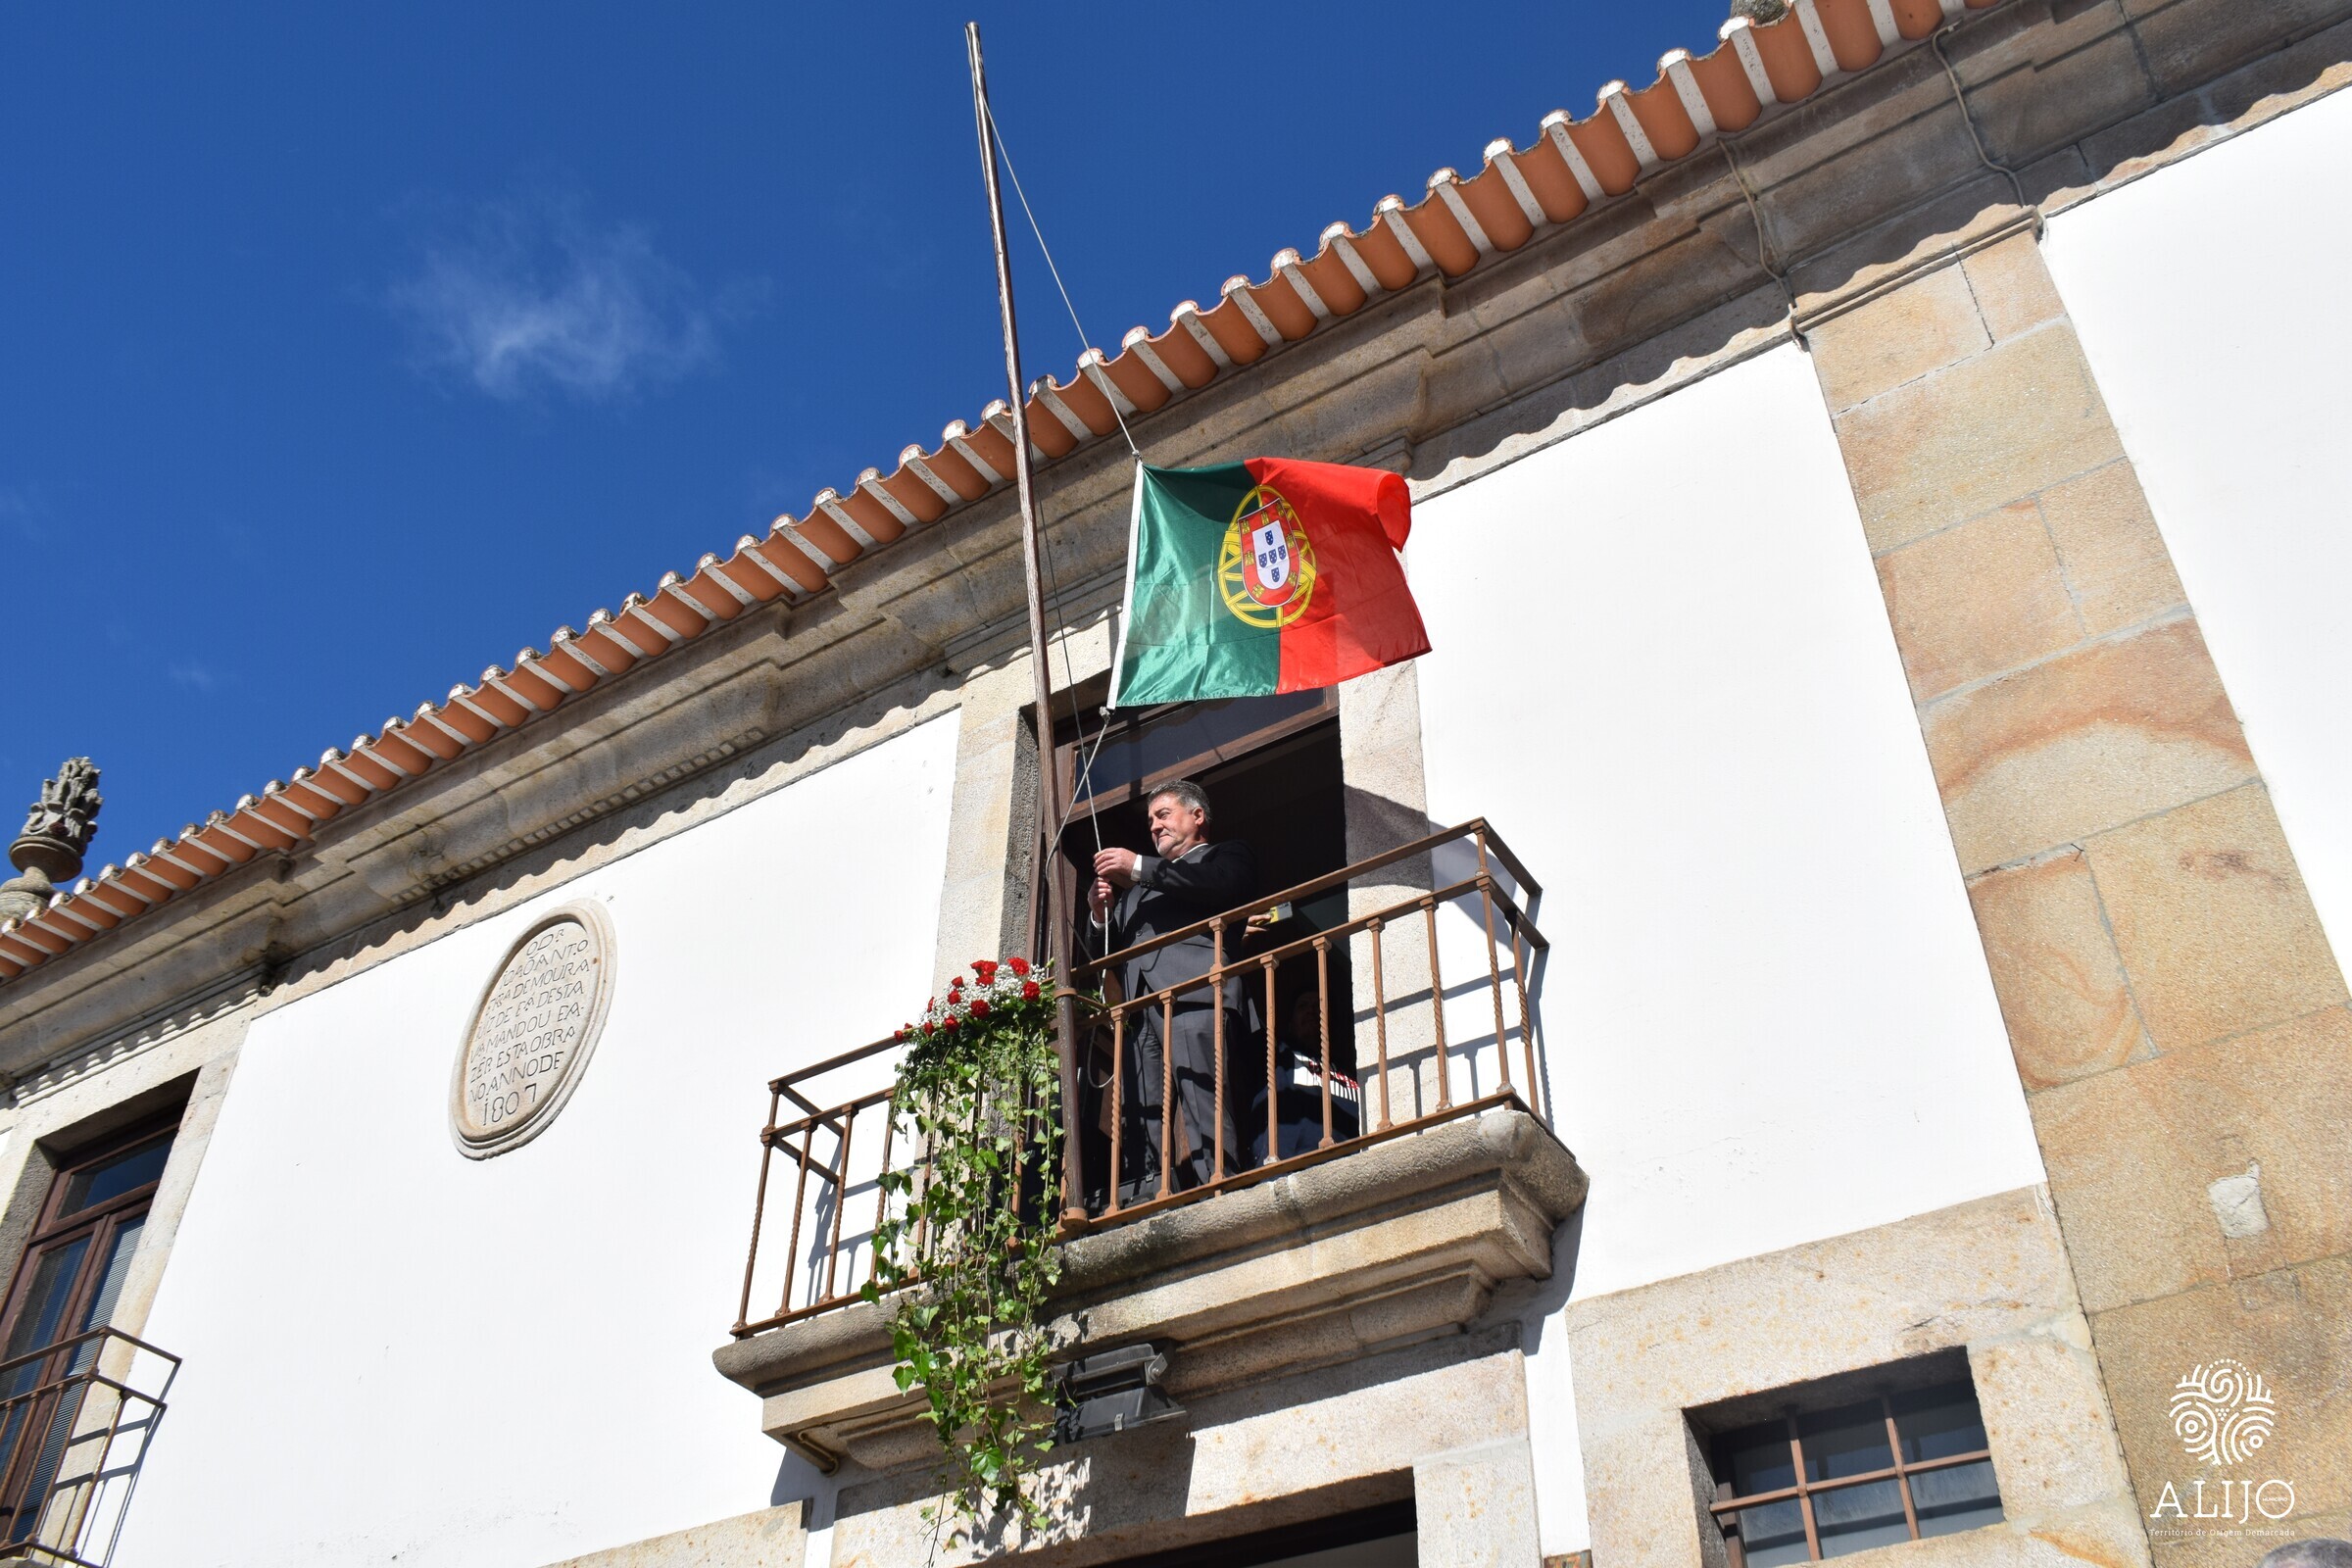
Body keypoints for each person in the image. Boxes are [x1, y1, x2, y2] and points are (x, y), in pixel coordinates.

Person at [1088, 778, 1258, 1193]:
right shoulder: (1134, 895)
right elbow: (1105, 953)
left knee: (1203, 1096)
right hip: (1140, 1007)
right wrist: (1098, 914)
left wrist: (1139, 866)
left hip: (1196, 992)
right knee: (1142, 1113)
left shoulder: (1225, 855)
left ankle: (1220, 1186)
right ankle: (1151, 1194)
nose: (1155, 826)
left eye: (1163, 815)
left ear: (1197, 816)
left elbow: (1220, 887)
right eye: (1150, 821)